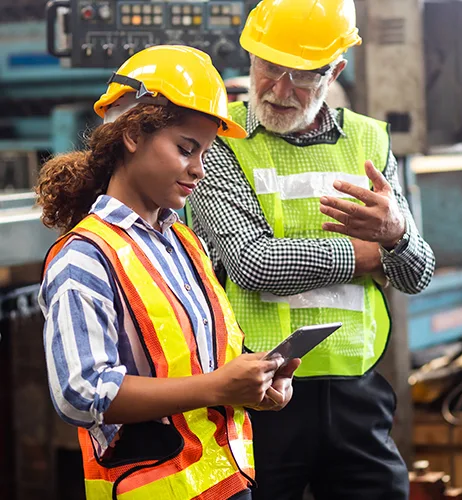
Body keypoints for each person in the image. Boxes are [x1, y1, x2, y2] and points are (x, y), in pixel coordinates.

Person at [189, 1, 436, 499]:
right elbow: (253, 263)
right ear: (249, 56)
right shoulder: (219, 140)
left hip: (357, 393)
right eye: (269, 68)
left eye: (301, 76)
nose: (280, 90)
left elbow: (419, 273)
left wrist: (396, 238)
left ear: (335, 70)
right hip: (256, 394)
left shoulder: (368, 140)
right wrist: (367, 256)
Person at [36, 45, 300, 500]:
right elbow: (80, 393)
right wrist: (217, 385)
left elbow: (197, 365)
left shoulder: (185, 243)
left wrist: (252, 385)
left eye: (205, 153)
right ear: (133, 135)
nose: (198, 169)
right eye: (185, 149)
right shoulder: (85, 256)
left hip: (226, 483)